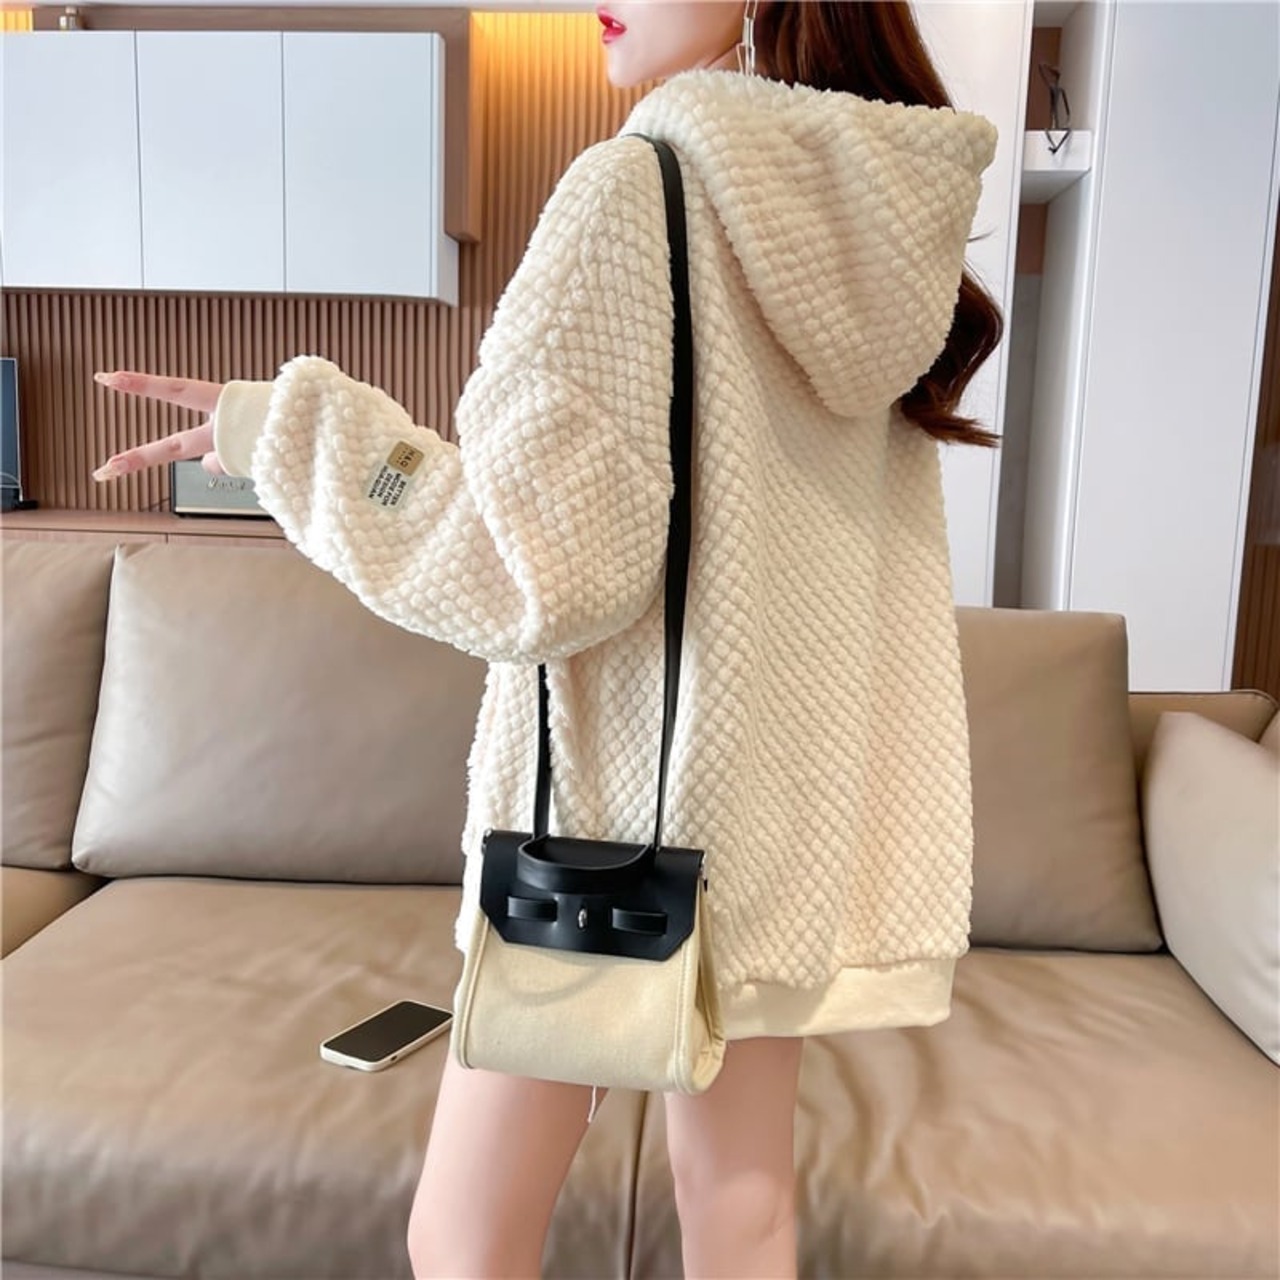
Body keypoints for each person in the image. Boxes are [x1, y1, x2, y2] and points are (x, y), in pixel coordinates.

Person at [91, 2, 1002, 1275]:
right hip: (782, 841)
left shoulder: (638, 190)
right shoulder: (869, 216)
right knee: (740, 1212)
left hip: (608, 843)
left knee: (462, 1236)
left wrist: (293, 435)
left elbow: (535, 567)